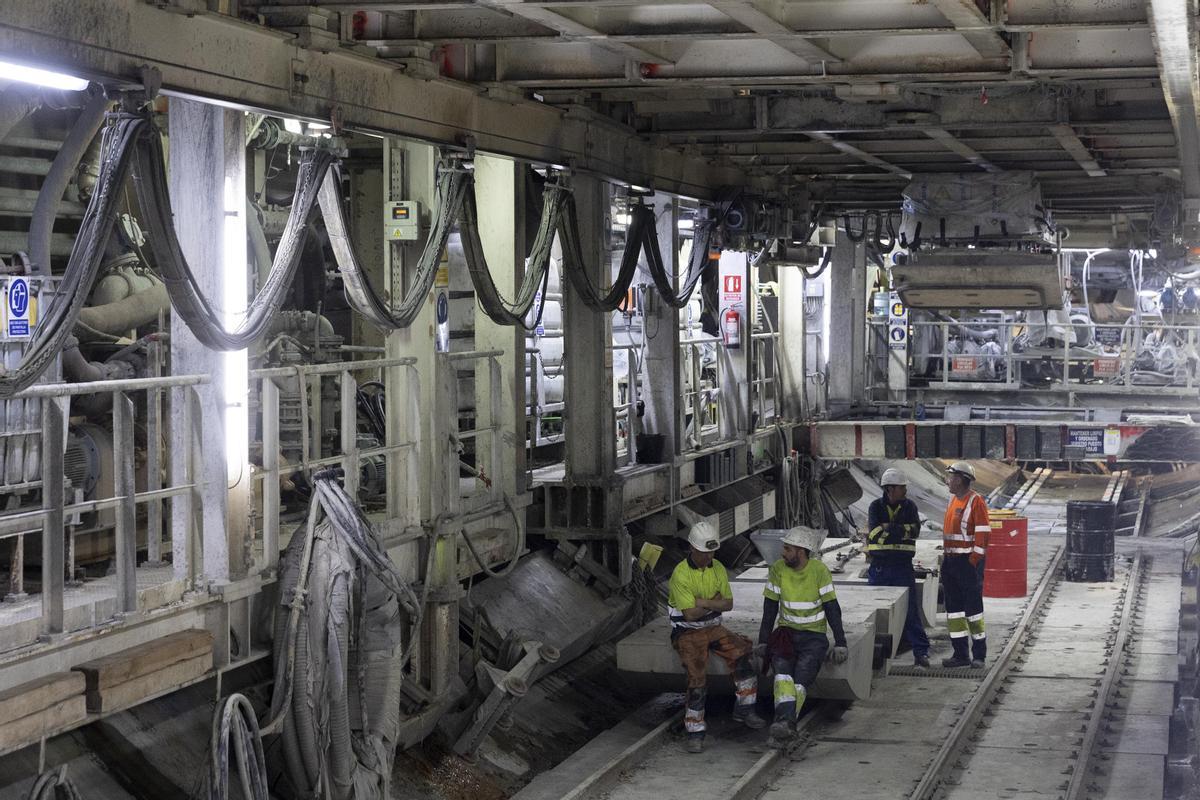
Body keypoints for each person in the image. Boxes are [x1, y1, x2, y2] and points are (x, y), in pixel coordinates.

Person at [667, 521, 766, 753]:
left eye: (712, 551)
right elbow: (690, 615)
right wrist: (714, 603)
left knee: (743, 653)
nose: (709, 556)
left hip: (714, 627)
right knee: (697, 678)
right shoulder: (680, 575)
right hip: (687, 631)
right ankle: (695, 731)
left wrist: (702, 602)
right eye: (704, 552)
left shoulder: (718, 568)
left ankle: (745, 710)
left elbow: (728, 604)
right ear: (692, 548)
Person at [757, 525, 848, 744]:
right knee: (782, 677)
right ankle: (785, 725)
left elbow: (832, 608)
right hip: (785, 635)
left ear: (801, 550)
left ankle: (783, 724)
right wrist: (762, 641)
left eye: (788, 549)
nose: (783, 553)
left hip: (814, 638)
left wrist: (841, 642)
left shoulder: (819, 571)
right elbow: (769, 607)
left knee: (801, 679)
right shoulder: (778, 569)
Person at [866, 468, 931, 668]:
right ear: (890, 489)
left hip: (902, 566)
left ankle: (921, 653)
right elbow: (874, 534)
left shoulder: (910, 506)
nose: (904, 491)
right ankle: (870, 654)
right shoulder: (875, 506)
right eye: (902, 487)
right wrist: (901, 531)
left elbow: (915, 531)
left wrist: (889, 528)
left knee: (910, 610)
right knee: (874, 611)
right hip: (880, 566)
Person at [941, 461, 990, 669]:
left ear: (960, 480)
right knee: (954, 611)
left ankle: (978, 655)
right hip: (951, 562)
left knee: (973, 611)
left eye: (951, 477)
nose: (948, 481)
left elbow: (983, 535)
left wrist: (973, 561)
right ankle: (960, 654)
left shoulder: (975, 501)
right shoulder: (954, 500)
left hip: (967, 564)